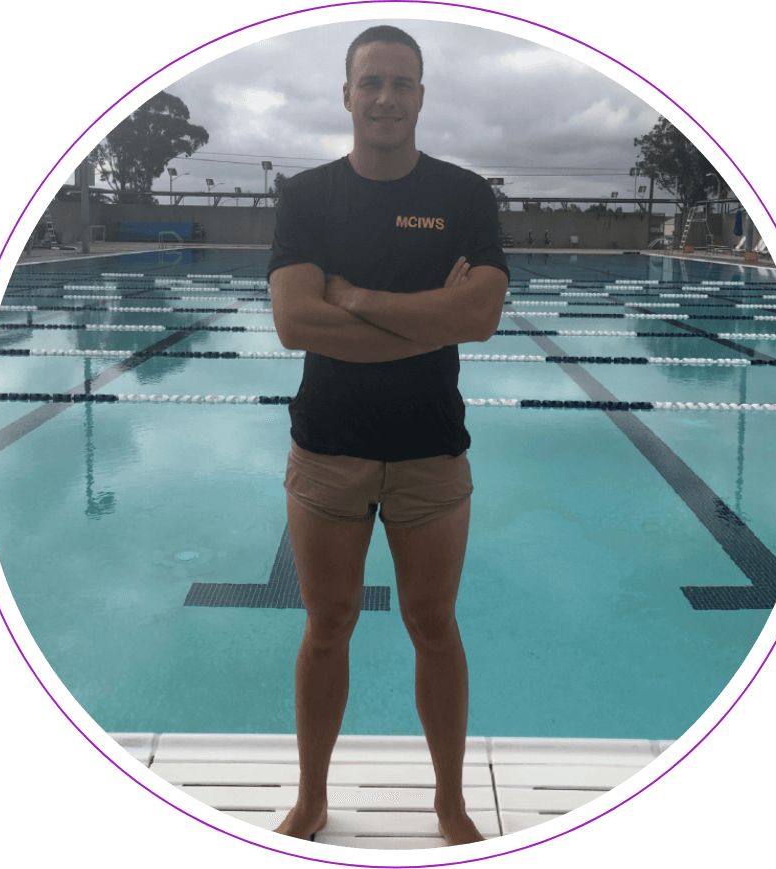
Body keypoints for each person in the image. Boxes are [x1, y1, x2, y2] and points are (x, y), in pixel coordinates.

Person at [266, 24, 509, 847]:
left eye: (401, 83)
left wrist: (359, 299)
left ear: (420, 96)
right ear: (345, 93)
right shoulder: (305, 196)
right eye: (370, 82)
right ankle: (310, 798)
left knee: (433, 623)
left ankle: (448, 803)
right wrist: (423, 319)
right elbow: (296, 323)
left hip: (430, 449)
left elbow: (478, 316)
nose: (384, 98)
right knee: (327, 624)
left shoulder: (464, 196)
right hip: (328, 446)